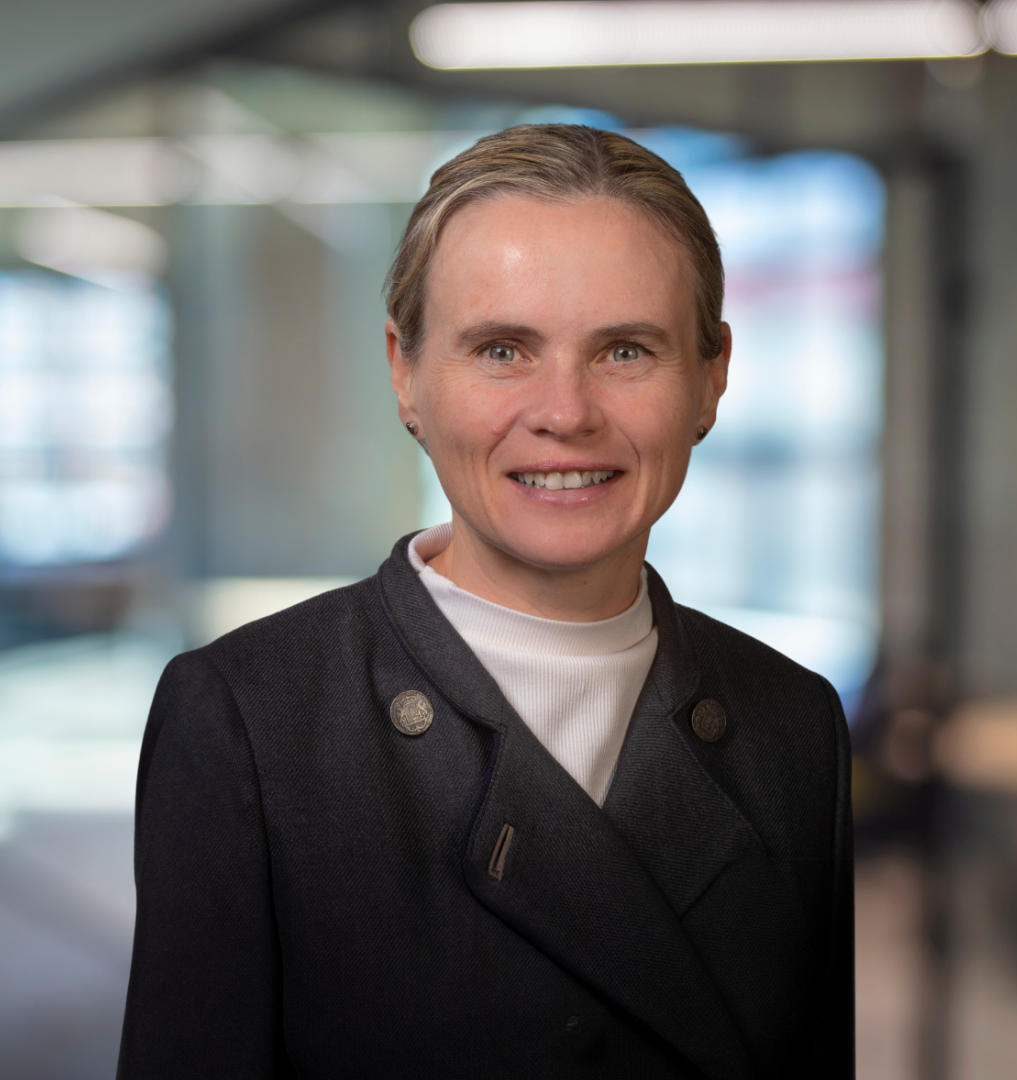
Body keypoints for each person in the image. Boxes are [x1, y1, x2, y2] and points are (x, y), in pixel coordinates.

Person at [117, 124, 853, 1079]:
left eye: (626, 351)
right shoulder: (249, 721)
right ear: (405, 373)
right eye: (503, 349)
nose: (565, 411)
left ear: (711, 376)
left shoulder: (793, 723)